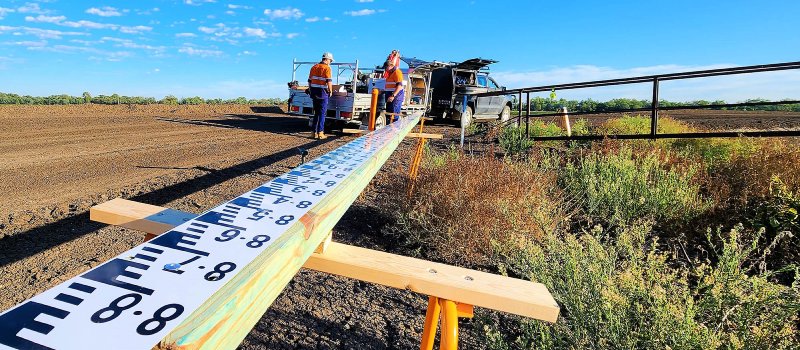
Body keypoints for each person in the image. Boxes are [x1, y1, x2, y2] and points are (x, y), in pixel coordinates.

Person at [308, 52, 334, 139]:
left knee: (316, 113)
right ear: (327, 59)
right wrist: (330, 91)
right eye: (330, 60)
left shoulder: (314, 67)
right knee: (322, 114)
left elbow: (309, 81)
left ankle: (313, 132)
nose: (330, 62)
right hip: (323, 93)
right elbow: (329, 81)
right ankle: (320, 133)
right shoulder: (327, 68)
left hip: (314, 93)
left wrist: (311, 90)